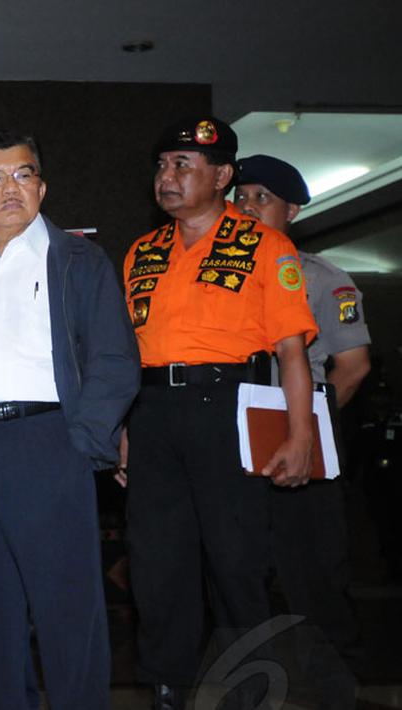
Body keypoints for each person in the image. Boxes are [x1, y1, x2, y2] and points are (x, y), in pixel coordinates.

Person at [0, 129, 140, 710]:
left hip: (49, 446)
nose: (9, 188)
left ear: (41, 188)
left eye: (22, 175)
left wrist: (81, 443)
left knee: (68, 612)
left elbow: (117, 359)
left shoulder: (78, 259)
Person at [122, 118, 317, 709]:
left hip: (228, 411)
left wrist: (300, 434)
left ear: (223, 176)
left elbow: (291, 352)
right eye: (162, 165)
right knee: (157, 566)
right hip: (153, 413)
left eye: (184, 164)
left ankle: (253, 689)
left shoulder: (264, 246)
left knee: (237, 564)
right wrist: (125, 429)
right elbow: (127, 354)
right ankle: (167, 689)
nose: (168, 176)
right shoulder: (142, 251)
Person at [234, 154, 368, 706]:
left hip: (301, 429)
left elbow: (353, 366)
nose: (246, 208)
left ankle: (333, 683)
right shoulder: (223, 276)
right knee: (243, 563)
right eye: (239, 197)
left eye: (261, 199)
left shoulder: (322, 279)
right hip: (234, 431)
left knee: (311, 564)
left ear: (292, 210)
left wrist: (303, 429)